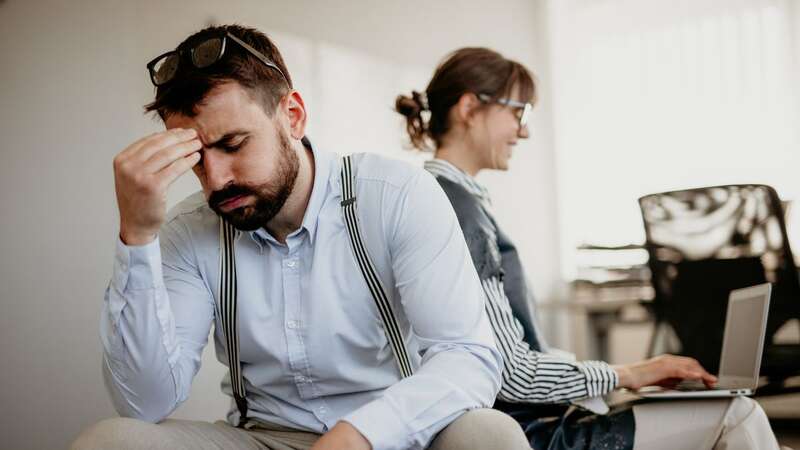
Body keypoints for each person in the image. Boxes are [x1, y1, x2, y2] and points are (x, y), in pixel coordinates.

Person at [71, 26, 532, 450]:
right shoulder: (185, 230)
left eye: (233, 145)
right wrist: (138, 235)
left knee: (491, 435)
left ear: (292, 116)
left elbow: (467, 357)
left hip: (394, 434)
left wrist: (360, 434)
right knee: (108, 442)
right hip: (263, 438)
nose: (214, 181)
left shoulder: (395, 195)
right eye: (196, 157)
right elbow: (145, 404)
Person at [395, 47, 784, 450]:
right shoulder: (458, 212)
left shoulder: (445, 200)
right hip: (537, 431)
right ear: (470, 107)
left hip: (537, 416)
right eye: (518, 112)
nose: (524, 131)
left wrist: (607, 376)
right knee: (738, 414)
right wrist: (630, 373)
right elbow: (510, 372)